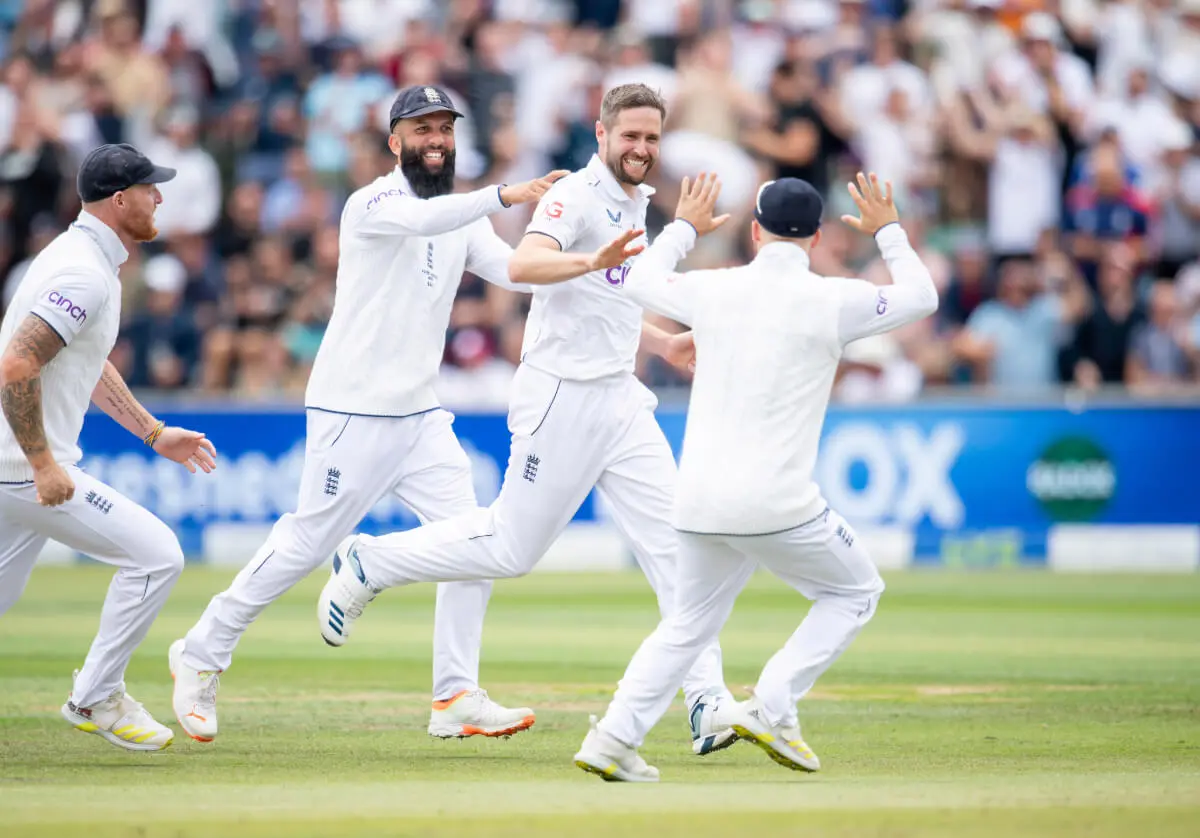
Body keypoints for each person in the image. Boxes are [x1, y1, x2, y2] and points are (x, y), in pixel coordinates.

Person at [167, 84, 634, 744]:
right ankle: (201, 653)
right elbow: (424, 222)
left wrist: (592, 264)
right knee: (306, 544)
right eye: (422, 130)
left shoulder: (463, 217)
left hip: (419, 416)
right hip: (353, 408)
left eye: (445, 129)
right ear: (396, 143)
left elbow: (518, 272)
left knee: (474, 543)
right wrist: (510, 194)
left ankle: (454, 694)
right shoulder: (373, 204)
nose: (436, 140)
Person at [315, 83, 740, 757]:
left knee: (676, 548)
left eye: (652, 138)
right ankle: (373, 559)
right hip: (561, 398)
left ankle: (707, 700)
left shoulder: (633, 200)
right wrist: (589, 258)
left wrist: (660, 342)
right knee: (509, 550)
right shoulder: (575, 192)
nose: (640, 148)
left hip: (619, 398)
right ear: (601, 136)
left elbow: (609, 294)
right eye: (629, 135)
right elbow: (526, 262)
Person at [574, 172, 939, 781]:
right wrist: (889, 231)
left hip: (697, 501)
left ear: (753, 232)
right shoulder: (836, 298)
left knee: (687, 626)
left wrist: (684, 227)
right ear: (817, 238)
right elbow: (921, 297)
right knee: (855, 592)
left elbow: (632, 277)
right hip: (779, 505)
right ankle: (772, 703)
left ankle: (612, 739)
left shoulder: (714, 291)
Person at [0, 143, 217, 751]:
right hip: (21, 469)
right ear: (120, 200)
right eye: (151, 190)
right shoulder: (83, 273)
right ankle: (96, 696)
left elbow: (83, 360)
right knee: (157, 556)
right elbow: (17, 363)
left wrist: (152, 433)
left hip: (12, 466)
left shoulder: (87, 260)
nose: (161, 199)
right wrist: (42, 463)